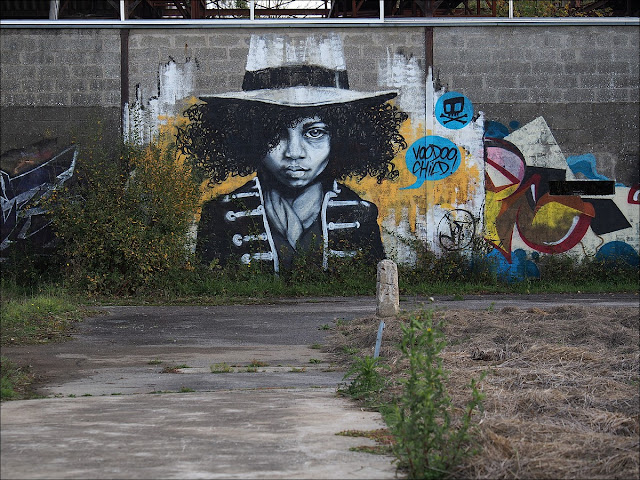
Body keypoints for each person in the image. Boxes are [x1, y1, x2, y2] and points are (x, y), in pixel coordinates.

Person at [177, 34, 408, 273]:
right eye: (275, 135)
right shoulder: (221, 214)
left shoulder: (361, 214)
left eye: (315, 133)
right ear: (250, 137)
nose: (294, 153)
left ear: (342, 138)